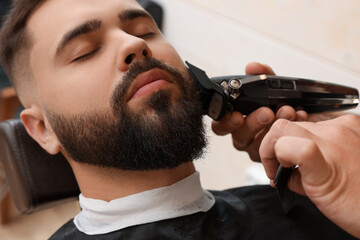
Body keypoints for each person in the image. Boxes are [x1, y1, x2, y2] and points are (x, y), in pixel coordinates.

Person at [0, 0, 357, 239]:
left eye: (144, 31)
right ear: (42, 128)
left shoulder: (321, 201)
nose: (133, 45)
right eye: (85, 51)